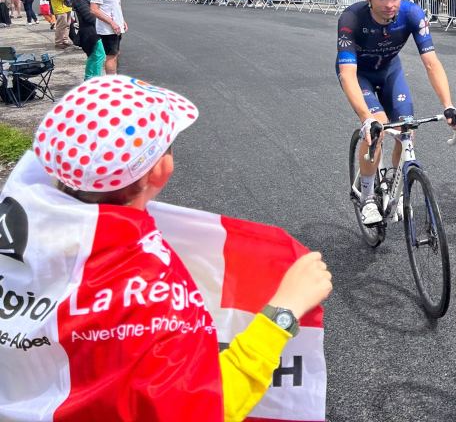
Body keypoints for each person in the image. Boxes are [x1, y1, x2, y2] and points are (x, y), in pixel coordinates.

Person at [0, 76, 332, 420]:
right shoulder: (149, 289)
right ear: (160, 169)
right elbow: (203, 409)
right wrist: (283, 311)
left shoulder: (20, 228)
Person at [336, 0, 456, 225]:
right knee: (378, 129)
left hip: (390, 71)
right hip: (360, 75)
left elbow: (431, 63)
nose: (390, 3)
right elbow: (347, 73)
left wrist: (448, 105)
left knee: (408, 130)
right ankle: (369, 197)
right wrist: (365, 117)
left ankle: (393, 181)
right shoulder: (351, 18)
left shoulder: (413, 14)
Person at [91, 0, 127, 74]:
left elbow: (115, 7)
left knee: (116, 54)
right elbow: (94, 9)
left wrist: (122, 21)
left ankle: (114, 78)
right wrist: (112, 22)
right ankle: (111, 82)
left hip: (116, 28)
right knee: (111, 56)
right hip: (108, 30)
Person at [71, 0, 106, 78]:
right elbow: (89, 17)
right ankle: (94, 82)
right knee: (98, 56)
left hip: (94, 31)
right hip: (89, 33)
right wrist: (106, 22)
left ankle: (90, 80)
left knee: (94, 56)